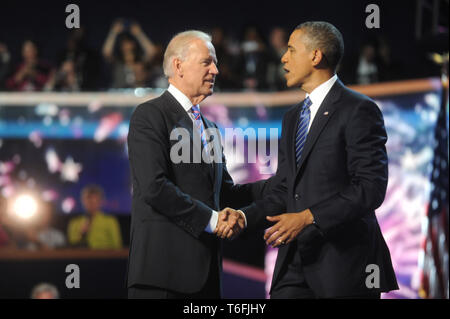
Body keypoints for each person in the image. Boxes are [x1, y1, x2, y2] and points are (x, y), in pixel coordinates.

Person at [238, 21, 398, 298]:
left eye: (291, 50)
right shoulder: (291, 118)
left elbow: (370, 188)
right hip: (294, 263)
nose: (283, 58)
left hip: (344, 264)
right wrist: (243, 216)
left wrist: (308, 218)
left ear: (315, 56)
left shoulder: (359, 110)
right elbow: (284, 188)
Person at [126, 30, 262, 299]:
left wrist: (280, 187)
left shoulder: (210, 128)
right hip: (162, 279)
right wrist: (212, 220)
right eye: (207, 62)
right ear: (178, 66)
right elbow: (154, 187)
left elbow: (222, 194)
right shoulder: (150, 115)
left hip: (207, 278)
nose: (216, 69)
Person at [102, 19, 156, 88]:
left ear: (133, 44)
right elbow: (106, 52)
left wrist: (139, 34)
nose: (126, 46)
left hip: (137, 95)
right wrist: (113, 32)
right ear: (120, 46)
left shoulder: (140, 61)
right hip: (118, 95)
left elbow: (151, 51)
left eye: (128, 43)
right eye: (123, 44)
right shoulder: (117, 62)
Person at [67, 185, 122, 249]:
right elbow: (71, 247)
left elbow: (117, 246)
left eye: (95, 201)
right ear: (83, 201)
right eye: (89, 201)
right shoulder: (74, 223)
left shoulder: (110, 221)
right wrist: (81, 235)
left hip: (105, 258)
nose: (92, 204)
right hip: (81, 257)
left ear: (101, 202)